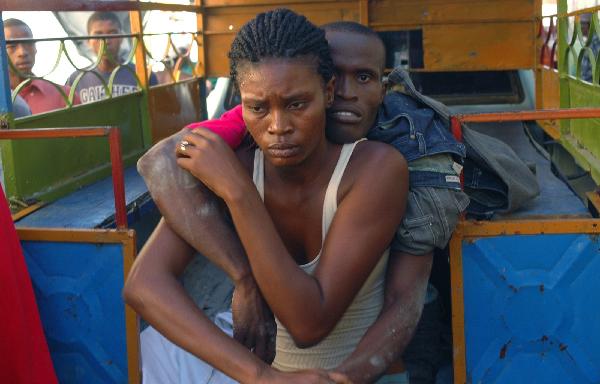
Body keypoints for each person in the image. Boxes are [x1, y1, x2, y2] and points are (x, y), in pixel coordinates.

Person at [136, 20, 467, 384]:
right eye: (258, 108)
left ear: (322, 93)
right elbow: (144, 283)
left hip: (349, 366)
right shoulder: (240, 156)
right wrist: (258, 365)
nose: (278, 126)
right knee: (151, 353)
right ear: (242, 107)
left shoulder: (381, 164)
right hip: (266, 370)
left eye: (297, 103)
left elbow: (311, 324)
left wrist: (238, 192)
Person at [66, 11, 158, 103]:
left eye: (112, 33)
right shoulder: (75, 80)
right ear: (88, 41)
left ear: (121, 38)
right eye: (98, 34)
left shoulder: (144, 76)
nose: (106, 41)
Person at [4, 18, 78, 114]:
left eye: (28, 43)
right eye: (12, 46)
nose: (22, 52)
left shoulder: (65, 95)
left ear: (35, 48)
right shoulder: (3, 98)